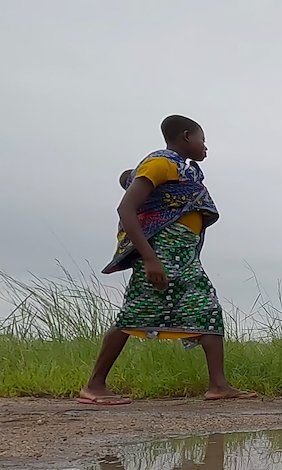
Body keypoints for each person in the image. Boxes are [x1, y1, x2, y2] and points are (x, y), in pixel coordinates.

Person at [79, 115, 255, 406]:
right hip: (160, 253)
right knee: (133, 313)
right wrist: (150, 259)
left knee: (207, 309)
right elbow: (126, 208)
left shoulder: (184, 171)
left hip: (183, 255)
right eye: (202, 138)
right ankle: (94, 386)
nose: (205, 146)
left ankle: (219, 385)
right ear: (187, 136)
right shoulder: (160, 163)